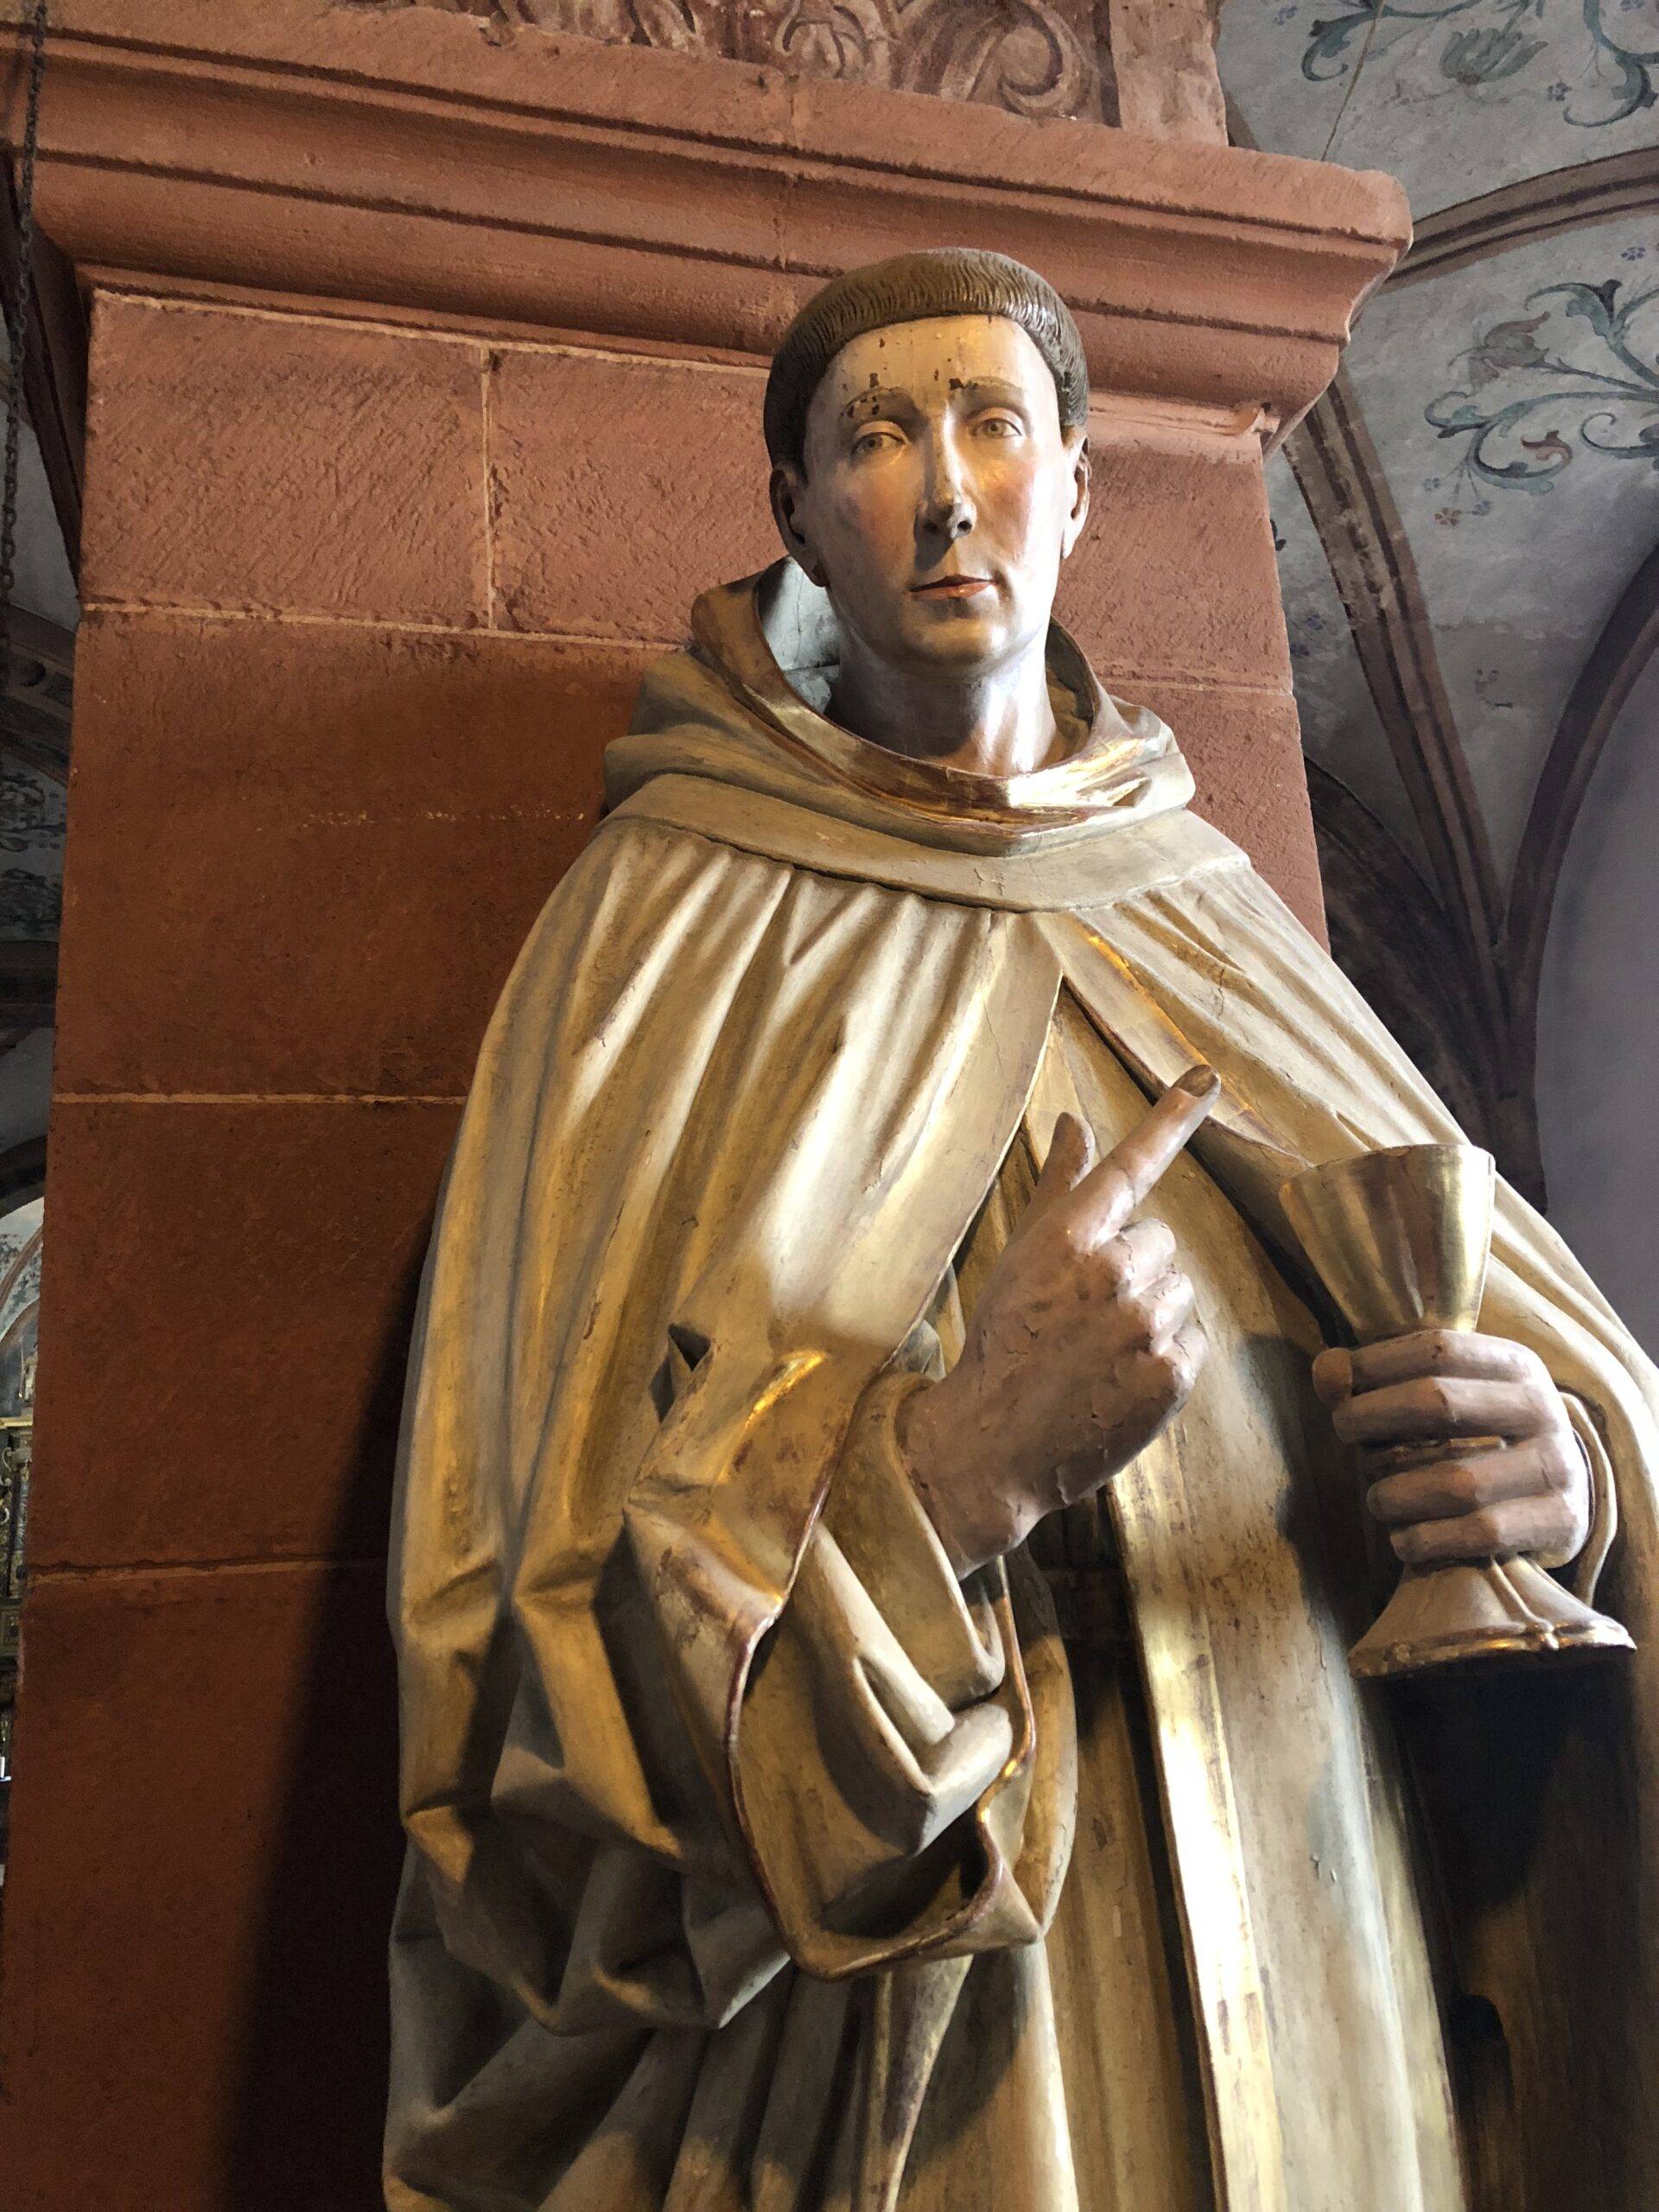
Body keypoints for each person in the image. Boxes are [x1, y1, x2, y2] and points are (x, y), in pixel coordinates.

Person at [384, 250, 1659, 2212]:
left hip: (1323, 1889)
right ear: (800, 514)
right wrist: (955, 1473)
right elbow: (521, 1619)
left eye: (994, 426)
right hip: (944, 1989)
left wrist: (1564, 1476)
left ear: (1078, 486)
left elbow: (1570, 1375)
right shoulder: (663, 924)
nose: (946, 494)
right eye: (876, 439)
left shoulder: (1208, 904)